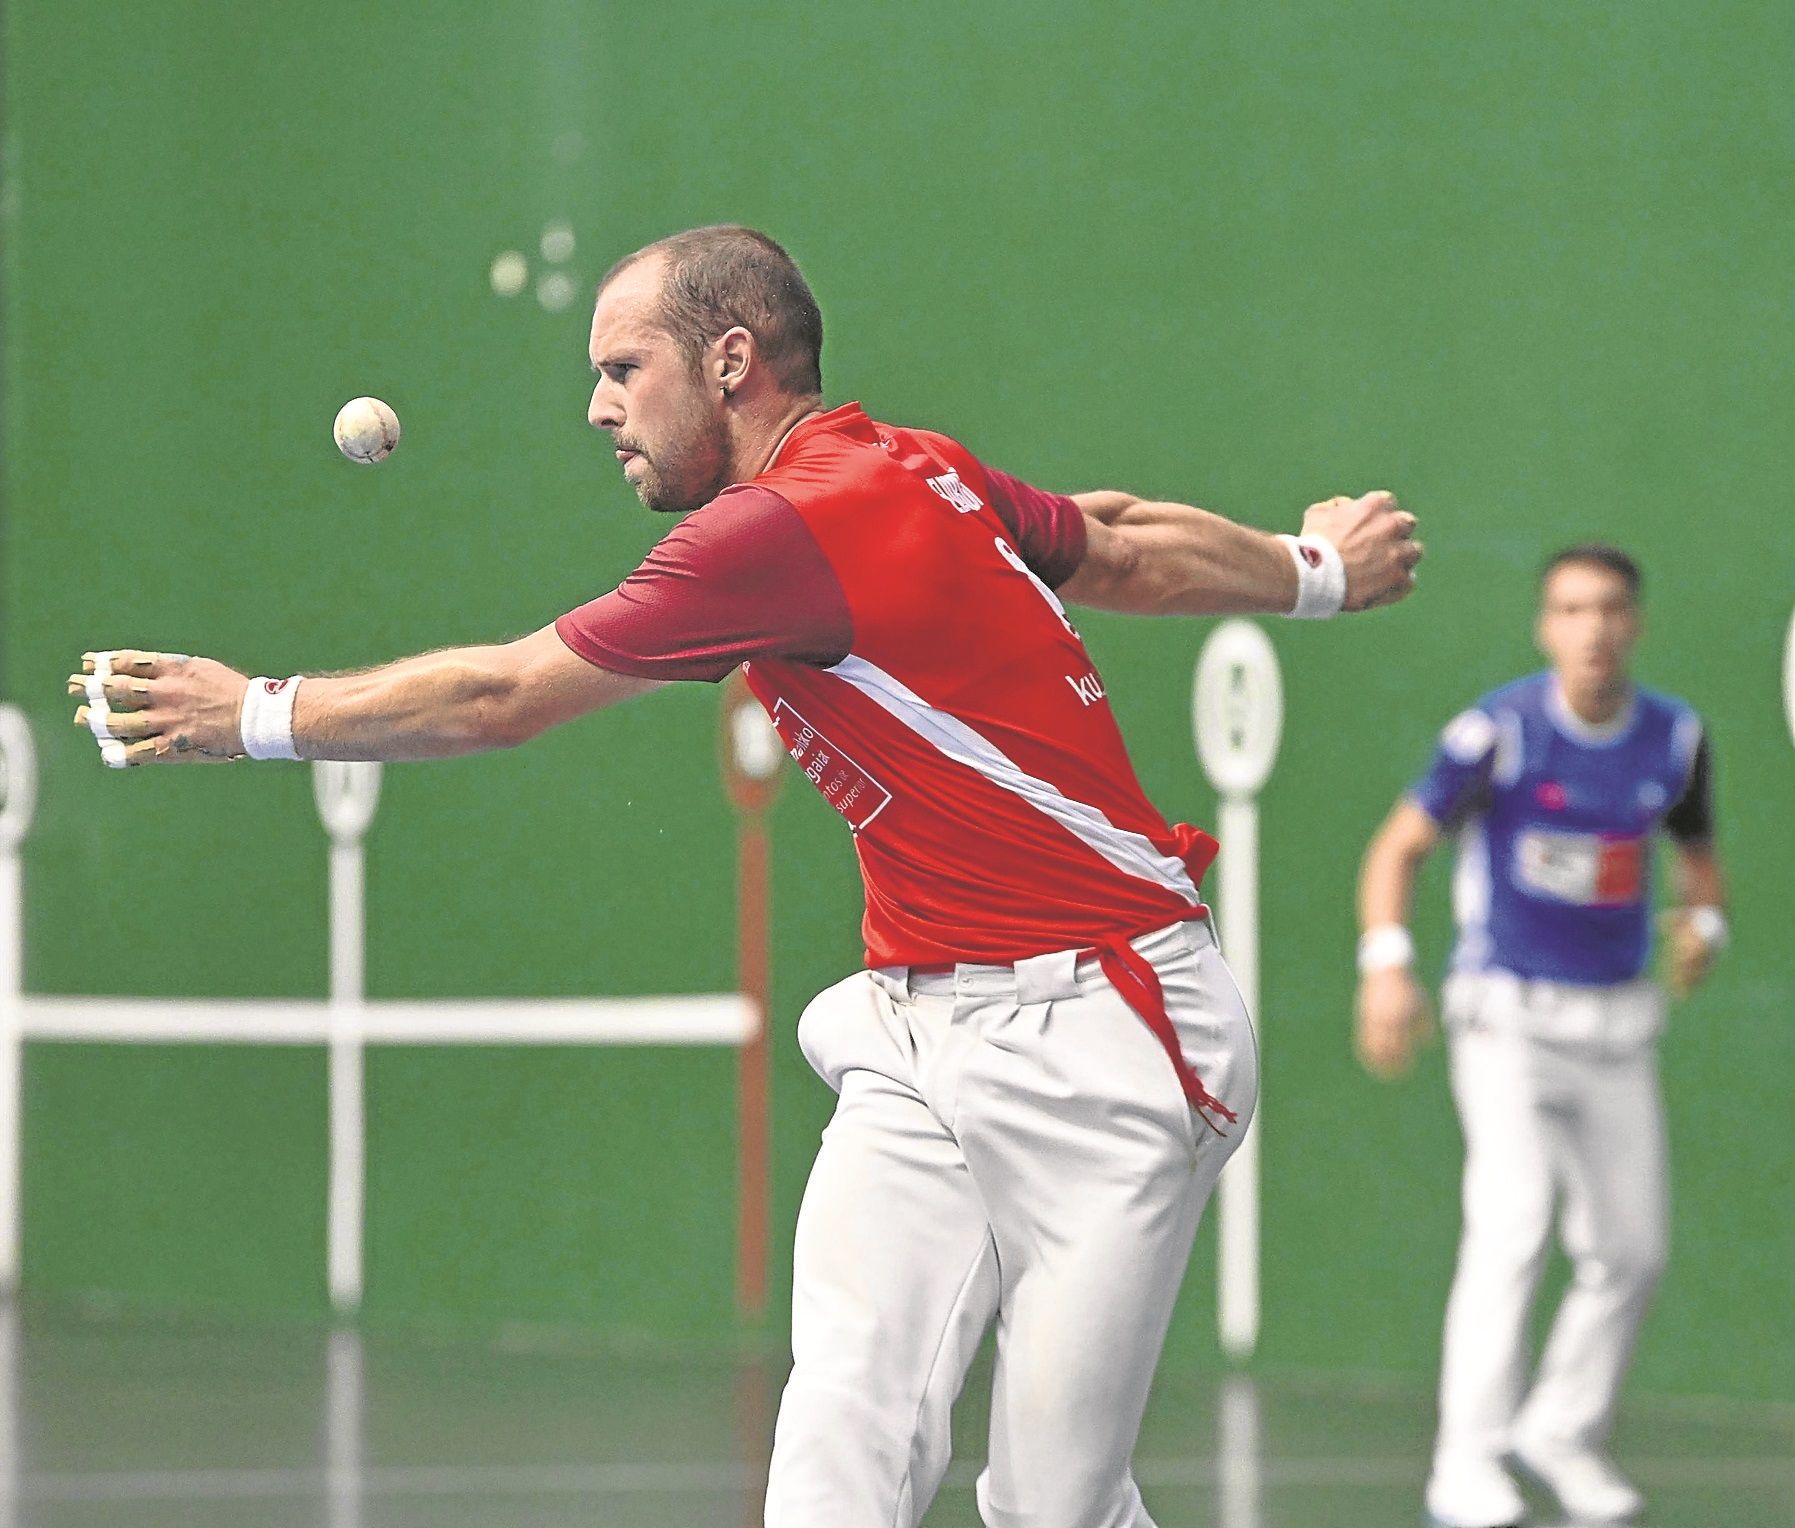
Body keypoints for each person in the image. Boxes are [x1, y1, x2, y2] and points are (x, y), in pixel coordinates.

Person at [71, 225, 1421, 1528]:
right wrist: (1311, 572)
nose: (599, 409)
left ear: (727, 362)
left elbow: (503, 695)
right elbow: (1114, 541)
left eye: (620, 369)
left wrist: (254, 712)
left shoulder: (777, 530)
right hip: (915, 1027)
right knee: (839, 1436)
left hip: (1108, 1036)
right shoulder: (911, 465)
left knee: (1047, 1505)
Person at [1354, 545, 1726, 1528]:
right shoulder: (1500, 734)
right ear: (1544, 627)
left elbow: (1697, 862)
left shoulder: (1674, 738)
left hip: (1616, 1024)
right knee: (1512, 1222)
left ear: (1634, 623)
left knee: (1629, 1249)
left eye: (1608, 608)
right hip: (1505, 1017)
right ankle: (1462, 1464)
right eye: (1570, 609)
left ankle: (1559, 1428)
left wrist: (1706, 927)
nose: (1592, 627)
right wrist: (1385, 966)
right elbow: (1397, 848)